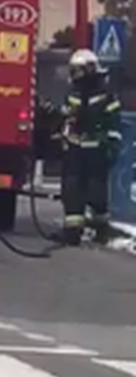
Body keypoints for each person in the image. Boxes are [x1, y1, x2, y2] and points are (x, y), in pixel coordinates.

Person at [60, 48, 122, 246]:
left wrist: (112, 145)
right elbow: (66, 117)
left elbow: (113, 122)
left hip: (97, 151)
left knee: (97, 192)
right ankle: (72, 231)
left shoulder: (106, 95)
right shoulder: (73, 93)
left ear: (89, 69)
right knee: (71, 190)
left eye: (78, 70)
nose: (74, 75)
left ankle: (101, 230)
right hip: (75, 150)